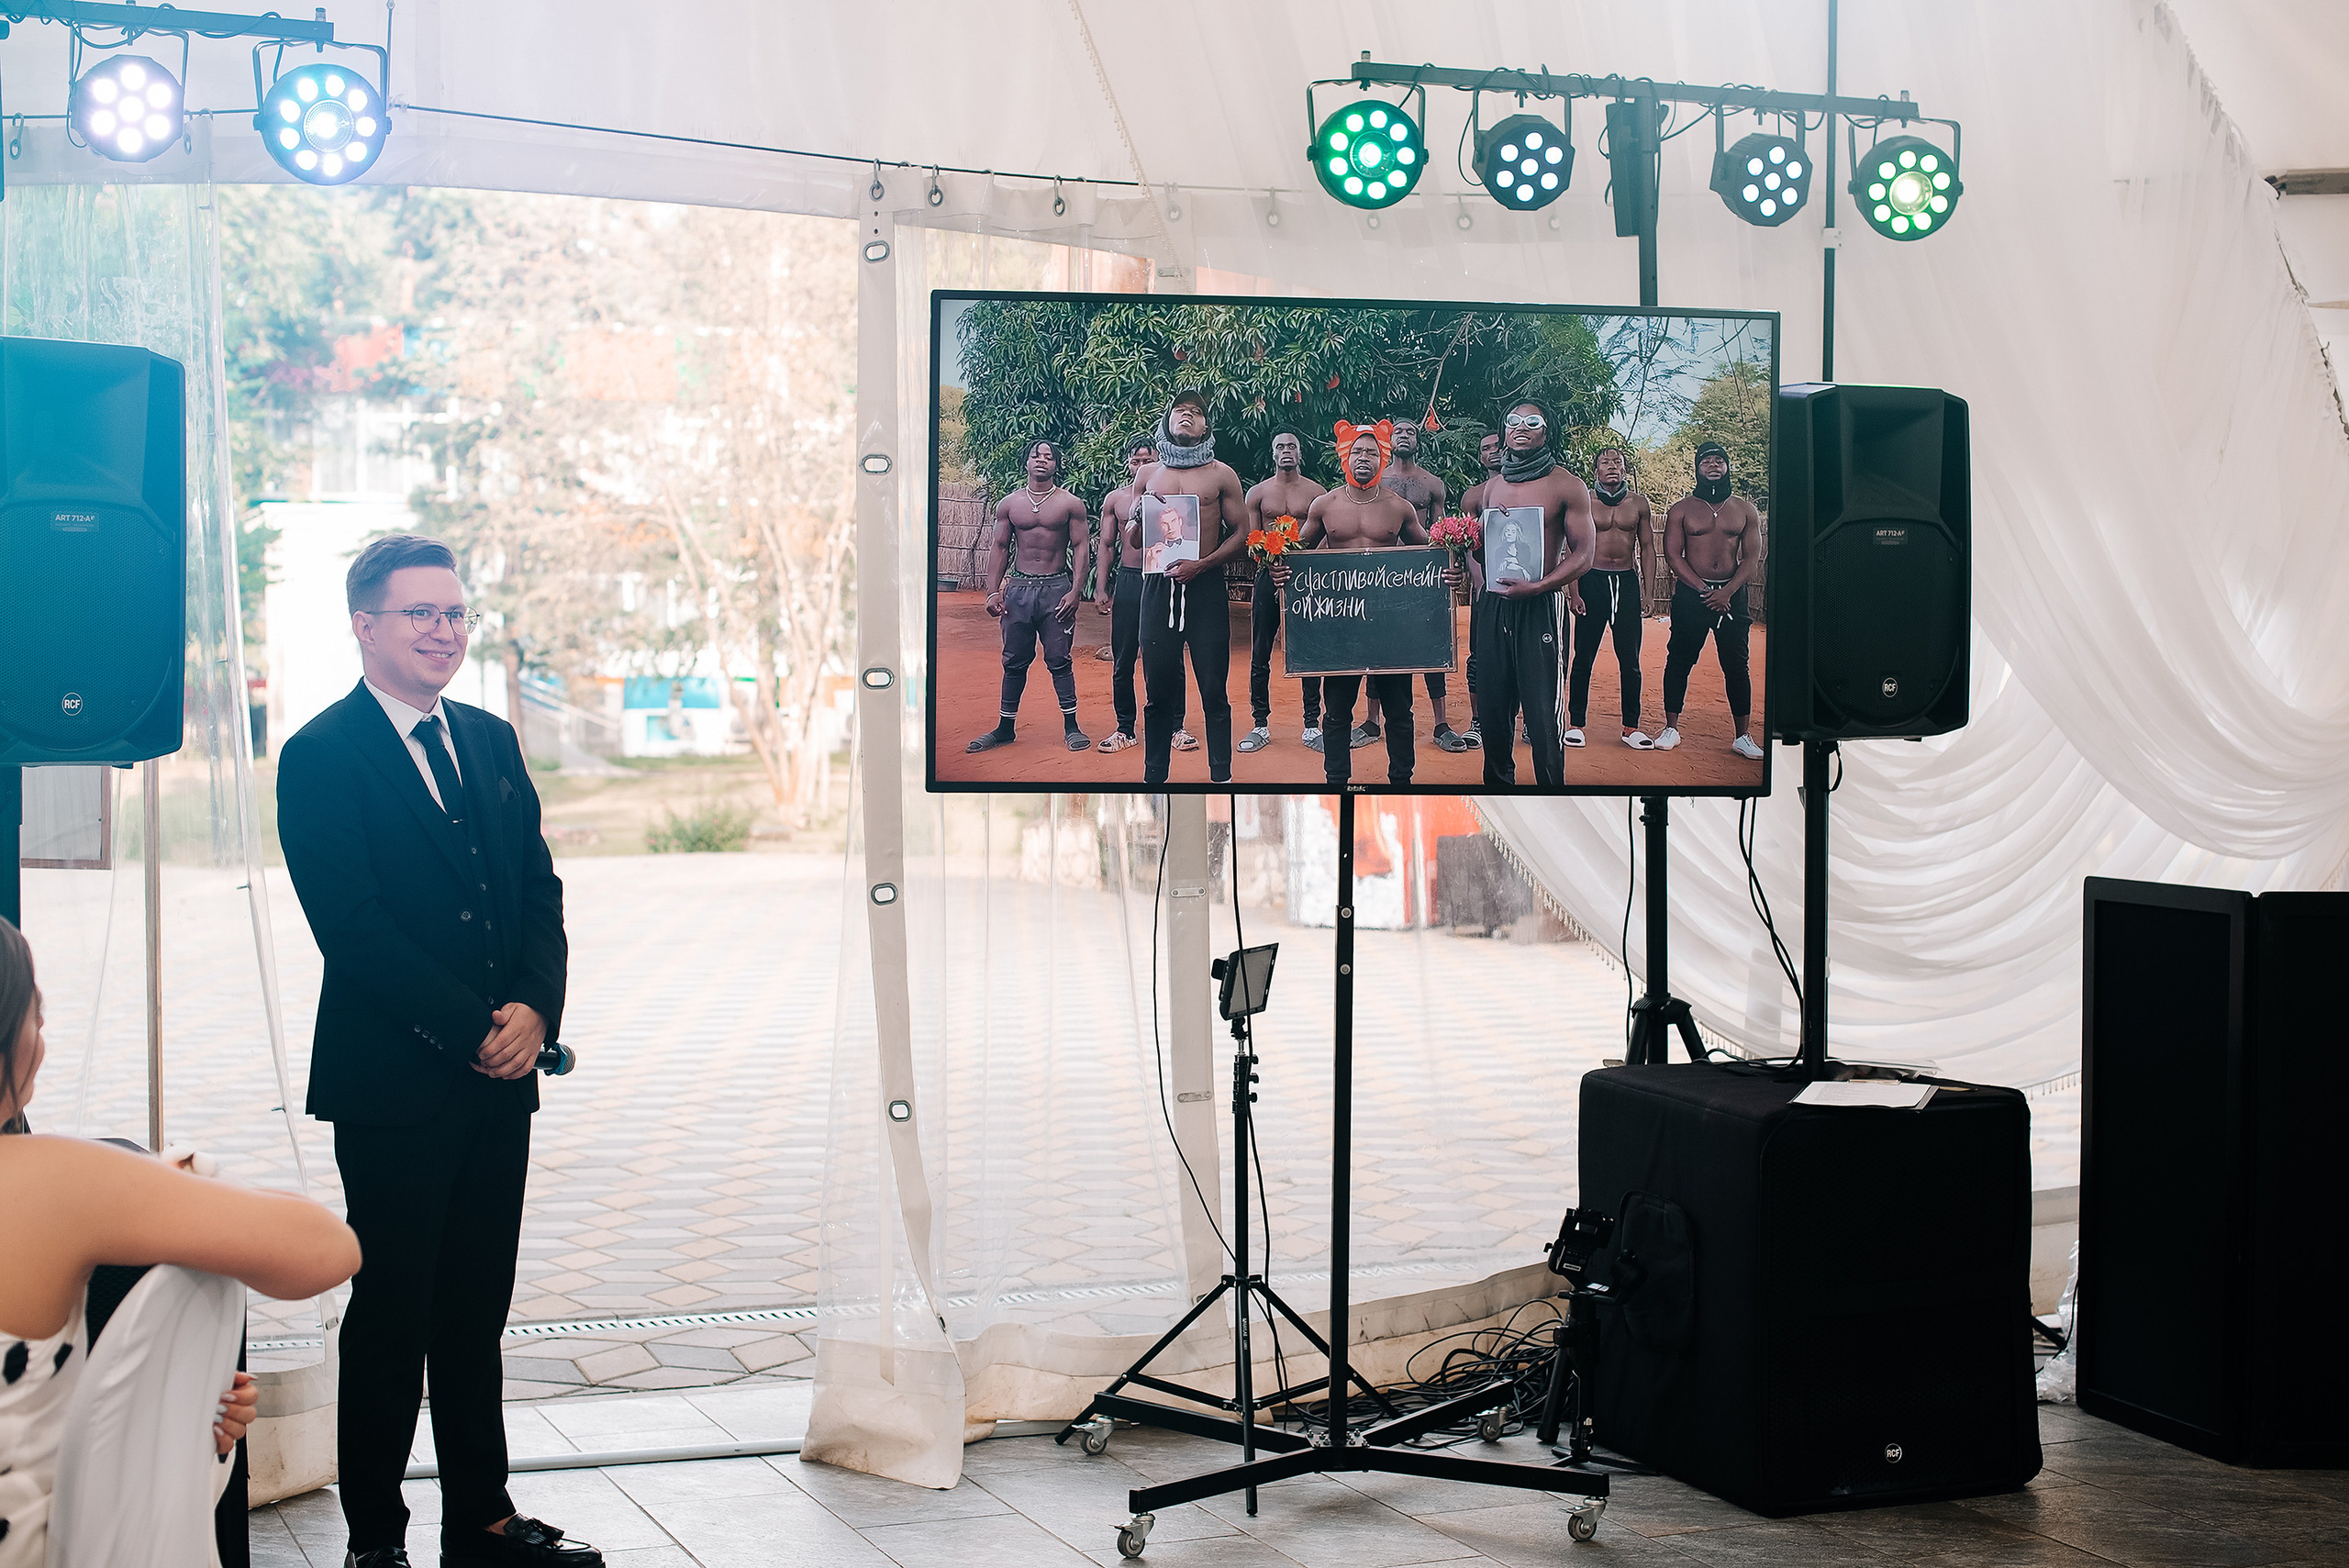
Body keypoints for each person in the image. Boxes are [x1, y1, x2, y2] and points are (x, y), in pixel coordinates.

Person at [276, 534, 599, 1568]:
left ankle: (486, 1523)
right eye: (419, 613)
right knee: (391, 1318)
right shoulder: (320, 755)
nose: (442, 630)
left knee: (474, 1315)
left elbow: (537, 890)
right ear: (365, 625)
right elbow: (354, 927)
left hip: (503, 1083)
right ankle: (376, 1538)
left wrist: (534, 1012)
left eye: (454, 613)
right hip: (394, 1088)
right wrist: (473, 1029)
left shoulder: (494, 742)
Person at [0, 919, 360, 1568]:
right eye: (39, 1018)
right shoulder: (43, 1181)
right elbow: (327, 1246)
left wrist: (168, 1410)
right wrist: (181, 1177)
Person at [1272, 428, 1458, 788]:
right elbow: (1298, 555)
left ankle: (1401, 782)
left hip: (1391, 629)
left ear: (1382, 459)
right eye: (1357, 452)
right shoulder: (1324, 505)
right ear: (1346, 456)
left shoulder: (1399, 507)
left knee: (1399, 713)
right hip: (1342, 630)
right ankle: (1337, 781)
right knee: (1337, 713)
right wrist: (1279, 566)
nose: (1363, 459)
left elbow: (1431, 555)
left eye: (1372, 453)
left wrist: (1450, 570)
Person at [1469, 402, 1595, 788]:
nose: (1520, 428)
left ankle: (1550, 792)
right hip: (1494, 605)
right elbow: (1482, 552)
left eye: (1532, 422)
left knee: (1542, 714)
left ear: (1546, 431)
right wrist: (1467, 550)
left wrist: (1540, 586)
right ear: (1504, 431)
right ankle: (1498, 790)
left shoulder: (1567, 485)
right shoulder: (1493, 487)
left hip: (1540, 605)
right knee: (1493, 708)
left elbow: (1585, 554)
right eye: (1513, 422)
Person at [1131, 391, 1247, 785]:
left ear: (1206, 426)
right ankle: (1155, 778)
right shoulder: (1148, 475)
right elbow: (1133, 540)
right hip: (1157, 587)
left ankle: (1221, 778)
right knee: (1157, 690)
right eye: (1180, 410)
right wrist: (1140, 513)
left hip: (1206, 588)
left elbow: (1242, 534)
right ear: (1167, 421)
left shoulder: (1221, 474)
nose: (1187, 415)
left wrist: (1202, 564)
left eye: (1196, 412)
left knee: (1214, 689)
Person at [968, 439, 1091, 753]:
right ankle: (1005, 728)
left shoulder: (1070, 504)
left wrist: (1076, 590)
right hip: (1019, 590)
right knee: (1014, 661)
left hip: (1056, 590)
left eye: (1049, 457)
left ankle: (1072, 727)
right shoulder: (1009, 504)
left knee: (1059, 659)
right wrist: (992, 591)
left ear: (1056, 465)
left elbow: (1080, 547)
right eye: (1036, 455)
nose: (1042, 460)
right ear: (1026, 462)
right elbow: (999, 547)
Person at [1362, 418, 1470, 753]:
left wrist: (1449, 568)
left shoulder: (1432, 484)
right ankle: (1370, 722)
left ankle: (1441, 724)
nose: (1404, 436)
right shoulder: (1375, 480)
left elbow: (1440, 533)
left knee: (1431, 646)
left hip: (1423, 576)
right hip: (1381, 576)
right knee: (1376, 648)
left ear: (1418, 442)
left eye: (1411, 432)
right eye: (1398, 432)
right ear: (1389, 441)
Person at [1657, 442, 1765, 759]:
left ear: (1727, 466)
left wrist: (1727, 591)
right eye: (1707, 461)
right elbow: (1673, 555)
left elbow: (1752, 557)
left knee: (1737, 665)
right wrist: (1705, 591)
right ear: (1697, 468)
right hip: (1693, 594)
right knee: (1679, 659)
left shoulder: (1744, 509)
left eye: (1720, 460)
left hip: (1732, 595)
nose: (1714, 465)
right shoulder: (1682, 508)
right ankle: (1671, 728)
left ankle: (1742, 736)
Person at [1239, 428, 1325, 755]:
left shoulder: (1317, 493)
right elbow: (1252, 539)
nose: (1286, 451)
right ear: (1273, 454)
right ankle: (1260, 723)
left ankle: (1311, 726)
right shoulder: (1258, 494)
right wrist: (1269, 562)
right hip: (1267, 575)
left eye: (1292, 446)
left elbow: (1324, 537)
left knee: (1309, 652)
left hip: (1305, 579)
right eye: (1280, 446)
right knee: (1260, 650)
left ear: (1300, 453)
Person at [1566, 446, 1656, 749]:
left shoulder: (1638, 504)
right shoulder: (1585, 502)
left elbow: (1647, 548)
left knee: (1630, 660)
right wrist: (1574, 590)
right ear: (1596, 471)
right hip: (1593, 580)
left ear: (1625, 469)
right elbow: (1574, 548)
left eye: (1617, 462)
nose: (1612, 466)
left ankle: (1631, 727)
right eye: (1605, 462)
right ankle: (1575, 723)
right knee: (1584, 657)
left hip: (1627, 583)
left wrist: (1648, 592)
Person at [1093, 438, 1155, 753]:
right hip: (1129, 580)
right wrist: (1102, 587)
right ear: (1128, 464)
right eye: (1136, 461)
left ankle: (1175, 726)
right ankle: (1125, 728)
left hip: (1162, 578)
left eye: (1148, 460)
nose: (1142, 467)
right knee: (1124, 657)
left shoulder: (1170, 495)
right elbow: (1106, 545)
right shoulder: (1116, 499)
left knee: (1167, 657)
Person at [1453, 429, 1505, 751]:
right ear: (1480, 456)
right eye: (1486, 448)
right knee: (1479, 657)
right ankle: (1478, 721)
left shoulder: (1530, 489)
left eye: (1498, 445)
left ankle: (1528, 723)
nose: (1493, 451)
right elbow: (1470, 545)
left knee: (1524, 658)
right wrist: (1480, 581)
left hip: (1526, 588)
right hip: (1486, 588)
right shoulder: (1472, 496)